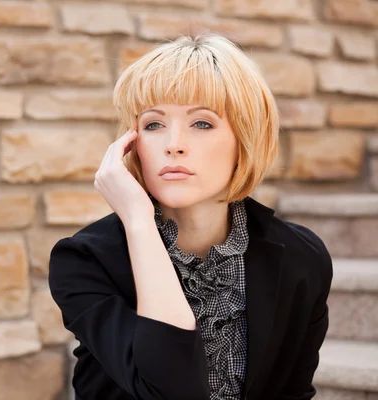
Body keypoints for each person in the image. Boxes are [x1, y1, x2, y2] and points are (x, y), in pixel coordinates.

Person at [48, 33, 333, 400]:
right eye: (153, 124)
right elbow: (168, 391)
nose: (173, 143)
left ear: (245, 138)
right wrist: (138, 221)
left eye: (202, 123)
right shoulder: (86, 260)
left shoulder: (302, 257)